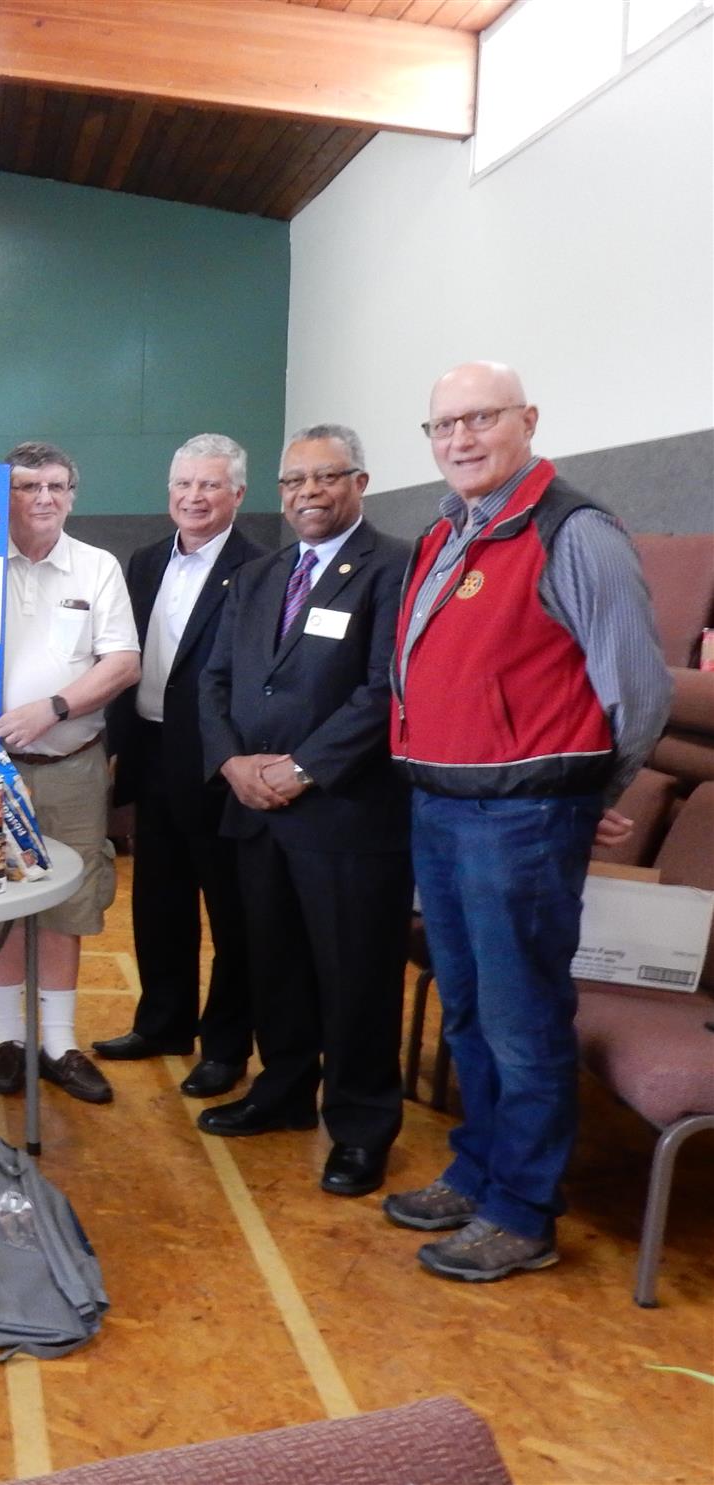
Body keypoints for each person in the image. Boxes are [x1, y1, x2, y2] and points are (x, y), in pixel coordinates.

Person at [385, 361, 670, 1280]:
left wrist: (582, 794)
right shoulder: (445, 531)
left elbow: (638, 689)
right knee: (466, 1008)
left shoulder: (573, 530)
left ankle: (523, 1210)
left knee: (522, 1018)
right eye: (443, 425)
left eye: (480, 418)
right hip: (439, 803)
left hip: (521, 815)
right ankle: (478, 1168)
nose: (460, 438)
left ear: (528, 419)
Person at [198, 423, 413, 1200]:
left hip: (346, 817)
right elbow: (216, 680)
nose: (309, 493)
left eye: (326, 476)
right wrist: (231, 762)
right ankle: (284, 1088)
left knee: (356, 976)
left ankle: (359, 1125)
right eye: (294, 480)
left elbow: (385, 688)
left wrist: (301, 768)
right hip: (257, 810)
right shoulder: (259, 575)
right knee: (274, 964)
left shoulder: (396, 567)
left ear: (360, 482)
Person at [97, 435, 263, 1098]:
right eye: (184, 484)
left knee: (232, 914)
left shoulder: (261, 567)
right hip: (152, 754)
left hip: (221, 765)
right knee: (158, 902)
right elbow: (123, 658)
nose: (194, 497)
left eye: (210, 485)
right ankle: (163, 1024)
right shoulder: (144, 562)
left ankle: (226, 1046)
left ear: (238, 494)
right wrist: (116, 748)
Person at [0, 441, 140, 1106]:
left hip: (73, 765)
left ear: (73, 495)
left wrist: (52, 708)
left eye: (56, 485)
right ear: (4, 496)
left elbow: (123, 663)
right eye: (27, 486)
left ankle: (58, 1042)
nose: (43, 497)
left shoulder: (97, 567)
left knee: (67, 903)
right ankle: (8, 1040)